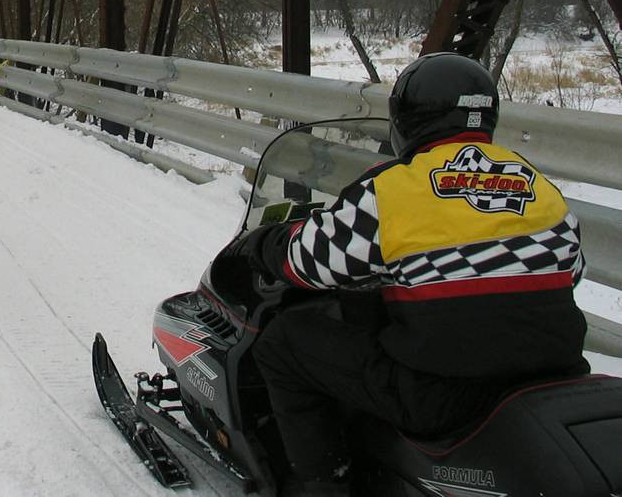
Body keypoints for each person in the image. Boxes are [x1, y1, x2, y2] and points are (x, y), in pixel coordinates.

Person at [232, 52, 587, 497]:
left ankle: (324, 486)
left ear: (407, 119)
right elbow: (570, 272)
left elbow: (308, 262)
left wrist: (262, 244)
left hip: (444, 395)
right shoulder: (540, 186)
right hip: (555, 374)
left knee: (285, 342)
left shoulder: (392, 190)